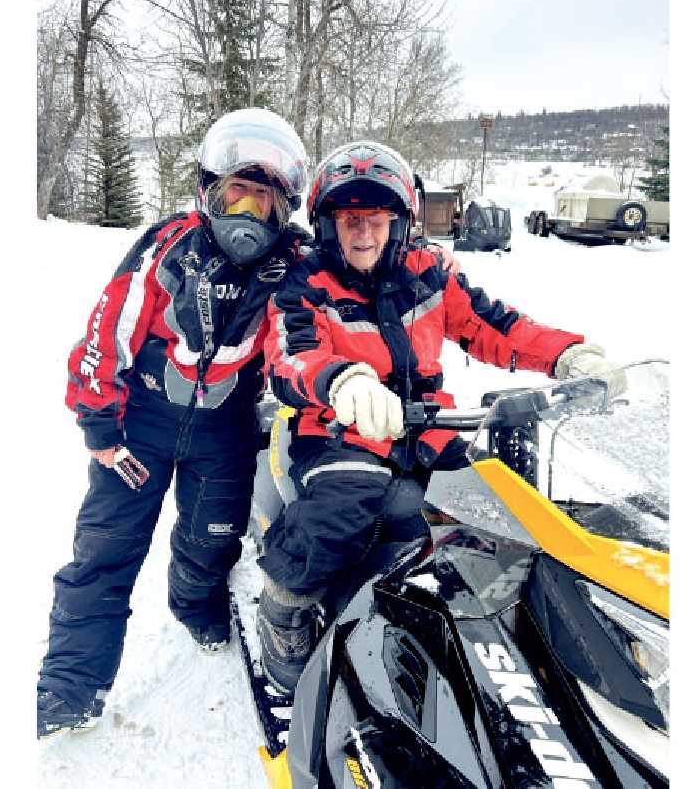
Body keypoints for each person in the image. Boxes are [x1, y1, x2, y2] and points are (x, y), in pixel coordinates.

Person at [256, 140, 618, 693]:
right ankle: (284, 612)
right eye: (350, 219)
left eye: (375, 219)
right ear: (327, 224)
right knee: (341, 510)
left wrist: (566, 354)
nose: (363, 234)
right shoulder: (304, 283)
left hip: (428, 426)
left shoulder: (429, 273)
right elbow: (291, 354)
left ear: (399, 222)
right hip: (337, 429)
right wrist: (343, 381)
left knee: (501, 506)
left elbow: (495, 326)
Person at [34, 108, 316, 740]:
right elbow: (109, 329)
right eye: (235, 194)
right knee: (103, 554)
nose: (246, 213)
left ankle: (195, 606)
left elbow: (304, 333)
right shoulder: (171, 246)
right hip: (140, 427)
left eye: (262, 201)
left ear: (283, 210)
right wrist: (99, 425)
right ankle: (69, 688)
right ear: (209, 192)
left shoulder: (291, 267)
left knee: (210, 540)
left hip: (225, 431)